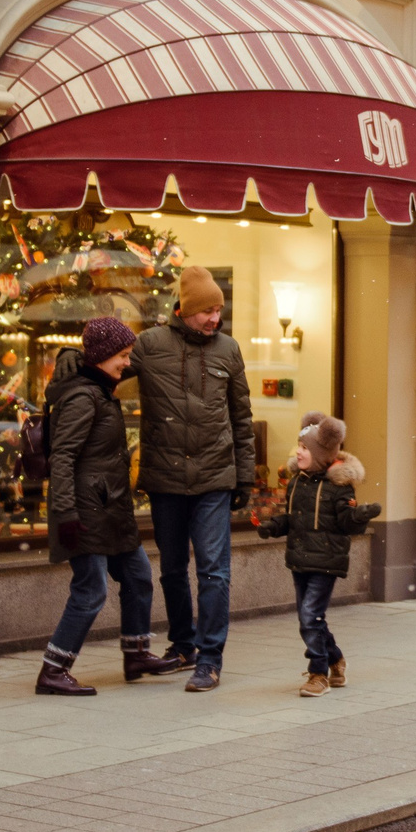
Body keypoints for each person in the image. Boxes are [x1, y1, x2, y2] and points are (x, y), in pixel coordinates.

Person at [133, 266, 254, 693]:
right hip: (165, 477)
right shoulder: (150, 345)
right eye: (207, 311)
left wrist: (244, 477)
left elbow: (241, 418)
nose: (214, 319)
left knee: (214, 572)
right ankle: (183, 645)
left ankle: (210, 658)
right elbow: (106, 368)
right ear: (184, 309)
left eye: (218, 310)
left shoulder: (228, 349)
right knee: (171, 569)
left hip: (214, 477)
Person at [36, 317, 168, 698]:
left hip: (110, 510)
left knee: (138, 575)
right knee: (91, 590)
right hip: (85, 511)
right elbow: (63, 457)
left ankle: (136, 654)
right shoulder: (83, 396)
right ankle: (53, 670)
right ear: (101, 355)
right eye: (122, 355)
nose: (127, 362)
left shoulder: (99, 387)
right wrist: (66, 514)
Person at [255, 412, 380, 698]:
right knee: (311, 617)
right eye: (298, 446)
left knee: (309, 617)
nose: (298, 452)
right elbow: (291, 519)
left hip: (326, 561)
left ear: (321, 453)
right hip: (300, 560)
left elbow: (347, 522)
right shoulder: (296, 483)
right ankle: (335, 658)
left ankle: (318, 673)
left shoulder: (339, 487)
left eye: (304, 448)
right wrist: (273, 526)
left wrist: (361, 515)